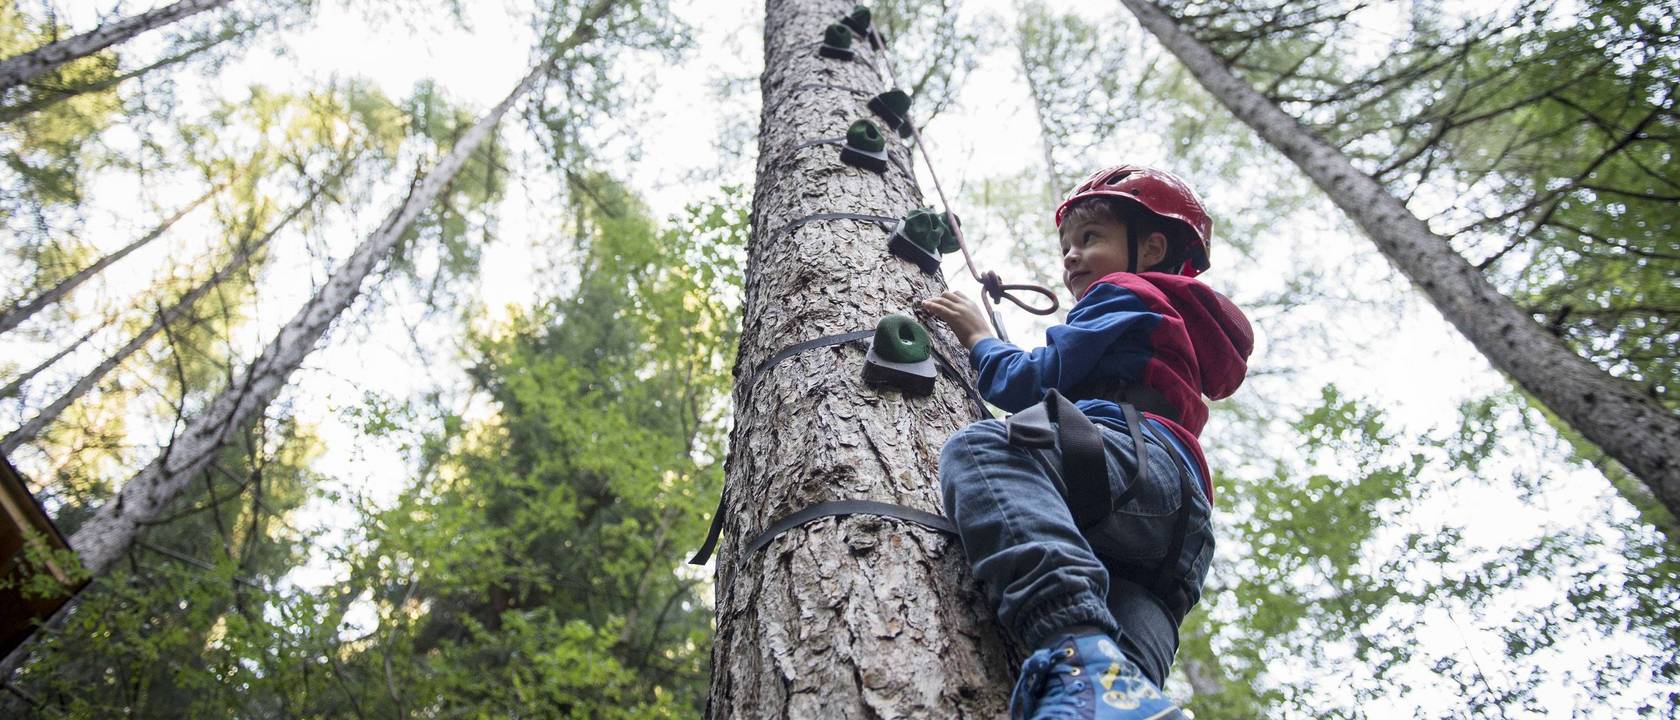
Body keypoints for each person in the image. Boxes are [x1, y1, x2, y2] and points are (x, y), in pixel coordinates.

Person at [921, 165, 1253, 719]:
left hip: (1133, 464)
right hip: (1175, 532)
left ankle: (1077, 652)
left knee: (983, 451)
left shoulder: (1127, 290)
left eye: (1090, 238)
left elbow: (1032, 380)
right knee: (1120, 692)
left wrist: (979, 338)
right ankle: (1113, 691)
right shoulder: (1166, 320)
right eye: (1066, 247)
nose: (1071, 257)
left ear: (1151, 248)